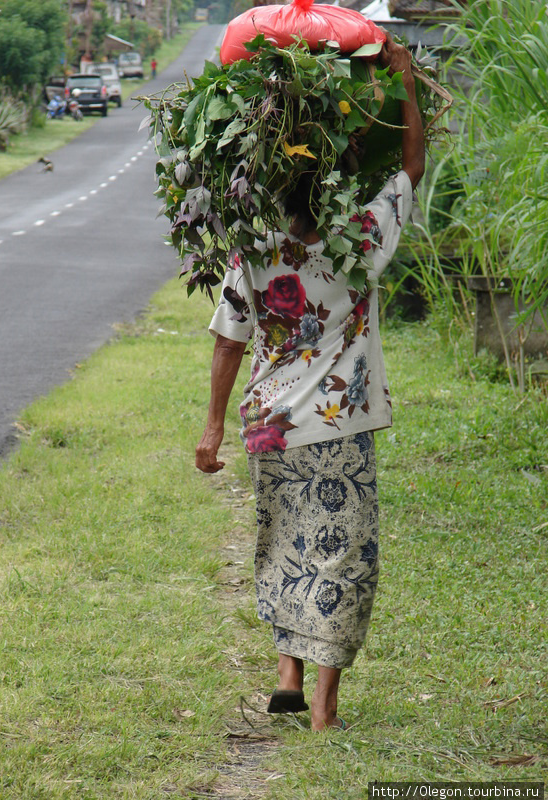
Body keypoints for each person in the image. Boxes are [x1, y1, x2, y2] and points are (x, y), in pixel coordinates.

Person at [195, 34, 425, 732]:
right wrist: (406, 80)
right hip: (337, 428)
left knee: (285, 547)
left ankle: (287, 674)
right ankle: (322, 705)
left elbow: (228, 338)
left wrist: (210, 427)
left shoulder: (256, 249)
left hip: (270, 424)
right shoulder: (360, 236)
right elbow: (412, 166)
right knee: (342, 559)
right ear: (339, 178)